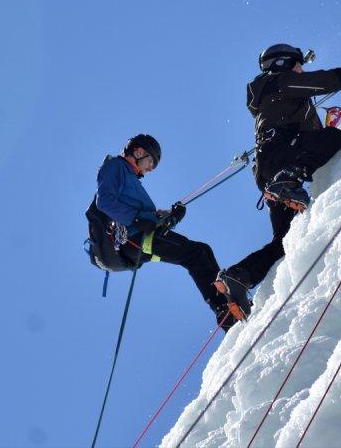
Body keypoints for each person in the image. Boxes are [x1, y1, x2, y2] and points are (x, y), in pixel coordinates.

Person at [212, 44, 341, 319]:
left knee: (285, 241)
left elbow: (308, 133)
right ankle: (289, 180)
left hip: (268, 167)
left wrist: (324, 125)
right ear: (282, 64)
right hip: (282, 157)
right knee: (335, 139)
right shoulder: (280, 82)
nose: (302, 70)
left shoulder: (275, 98)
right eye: (298, 65)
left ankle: (240, 276)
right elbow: (330, 80)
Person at [94, 134, 235, 330]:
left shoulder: (130, 178)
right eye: (151, 161)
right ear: (139, 151)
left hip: (142, 236)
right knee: (194, 255)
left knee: (202, 250)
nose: (150, 168)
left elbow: (146, 217)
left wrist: (170, 216)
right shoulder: (116, 167)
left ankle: (228, 301)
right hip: (134, 239)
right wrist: (135, 219)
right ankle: (224, 310)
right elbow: (105, 201)